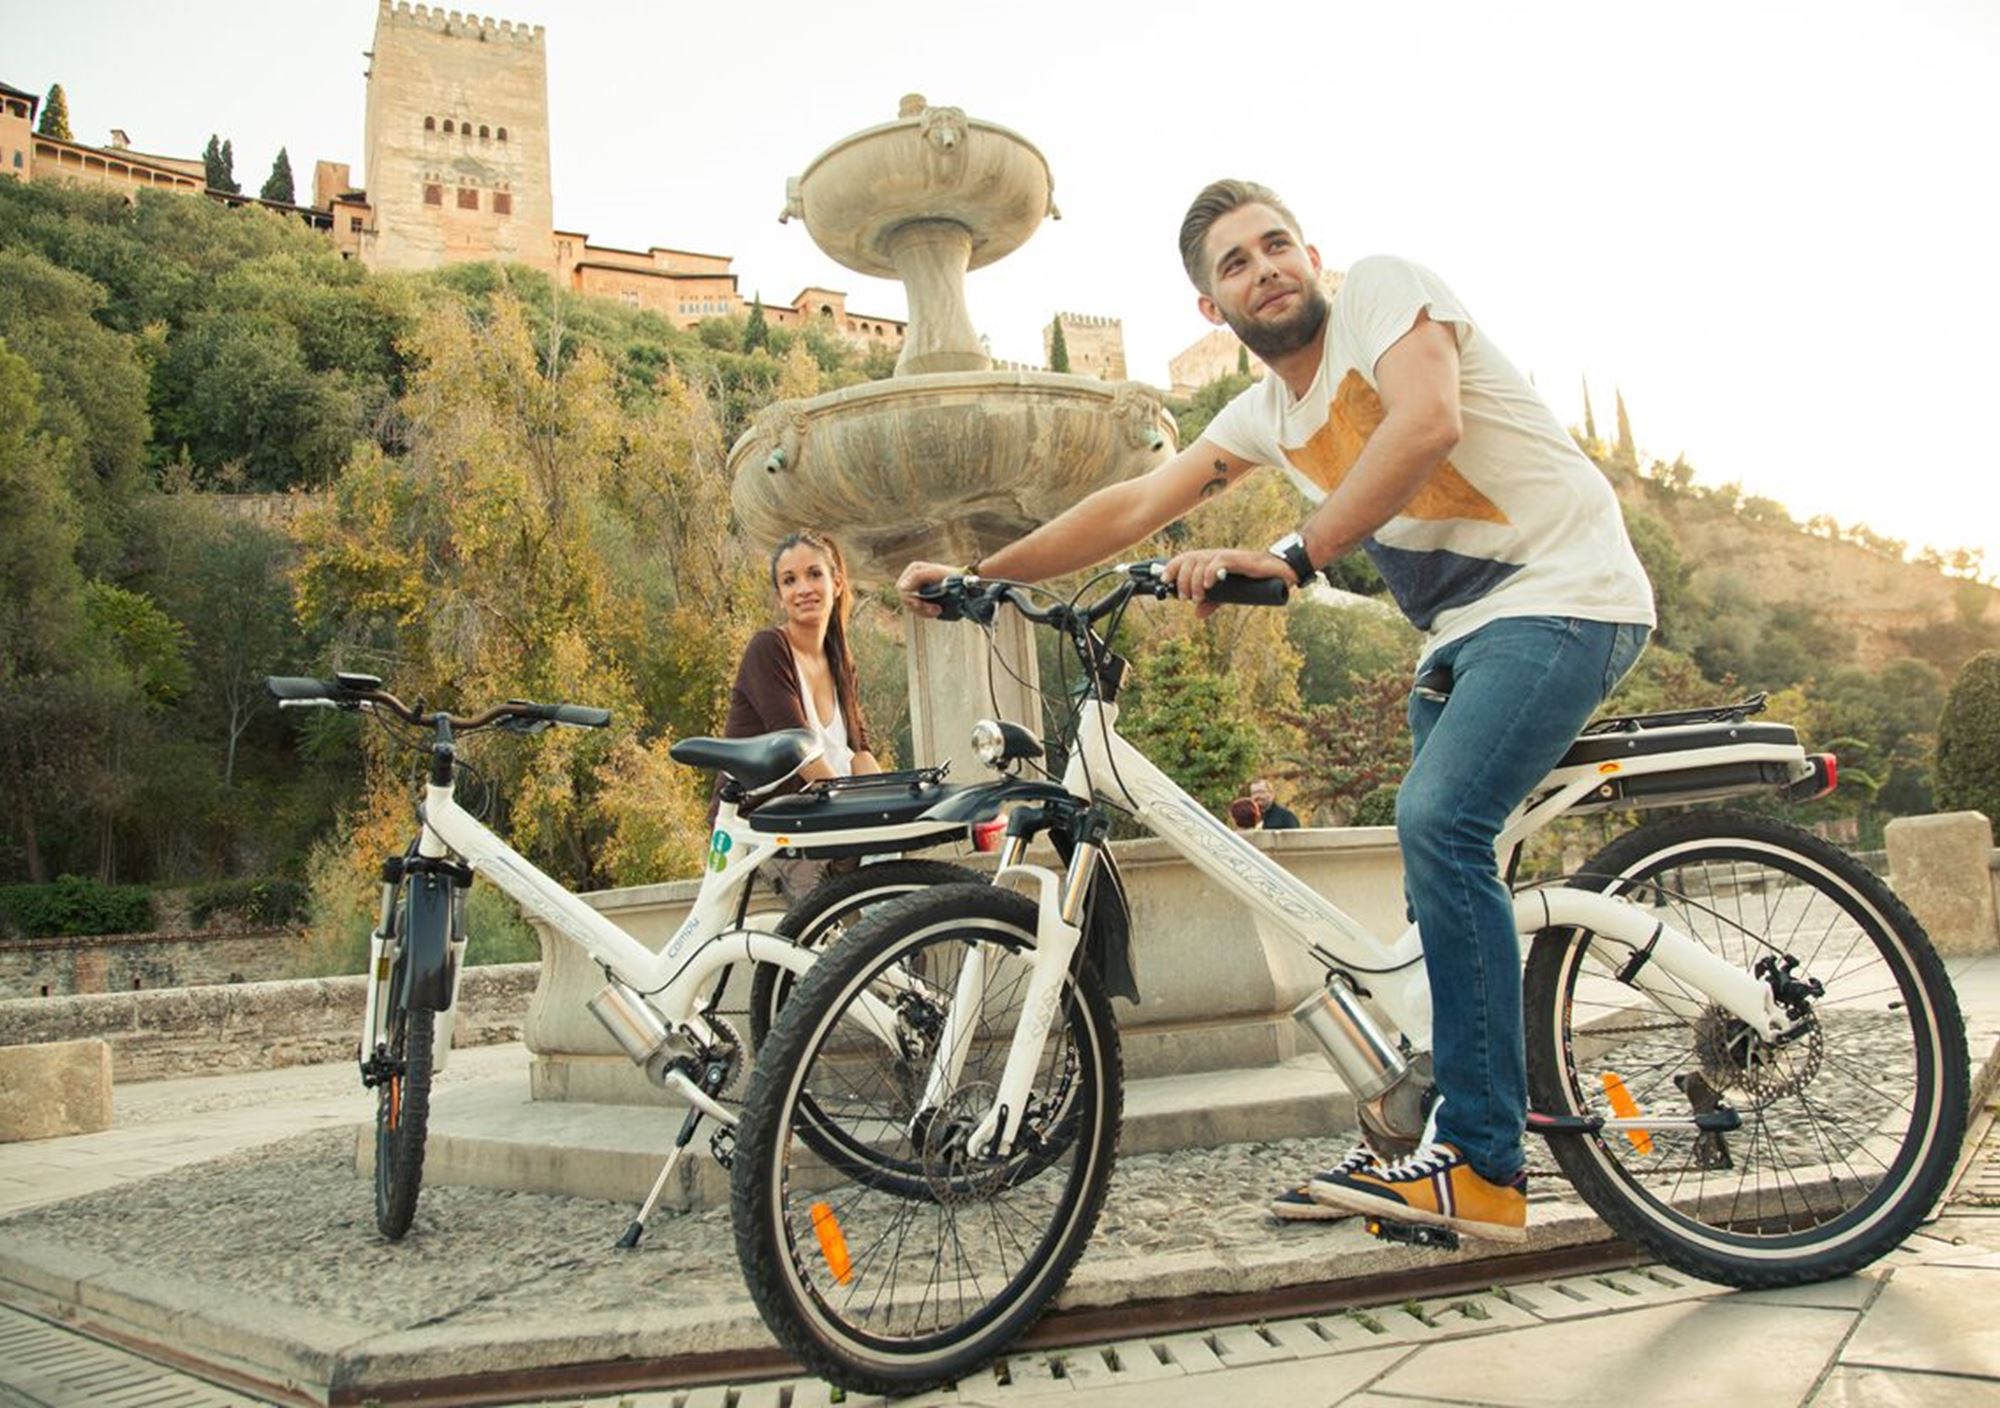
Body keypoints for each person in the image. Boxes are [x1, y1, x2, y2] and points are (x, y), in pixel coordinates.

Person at [898, 179, 1653, 1244]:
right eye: (1236, 264)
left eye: (1276, 245)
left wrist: (1294, 554)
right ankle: (1412, 1137)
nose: (1266, 269)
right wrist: (982, 576)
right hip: (1462, 640)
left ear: (1312, 253)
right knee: (1432, 884)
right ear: (1212, 310)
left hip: (1564, 594)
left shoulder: (1385, 293)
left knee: (1440, 827)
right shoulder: (1262, 413)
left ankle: (1483, 1163)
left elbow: (1427, 419)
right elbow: (1132, 504)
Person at [725, 529, 882, 899]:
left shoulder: (841, 662)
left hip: (827, 816)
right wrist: (862, 815)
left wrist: (888, 804)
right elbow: (800, 753)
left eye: (815, 574)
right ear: (780, 596)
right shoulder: (769, 650)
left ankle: (900, 951)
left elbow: (861, 753)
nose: (803, 589)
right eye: (789, 580)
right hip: (773, 823)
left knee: (890, 863)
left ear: (837, 582)